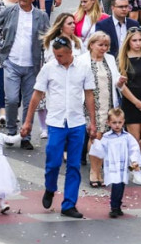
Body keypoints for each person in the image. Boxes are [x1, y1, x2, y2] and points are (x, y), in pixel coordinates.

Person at [23, 36, 96, 219]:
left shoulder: (83, 68)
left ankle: (69, 204)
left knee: (74, 165)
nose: (58, 58)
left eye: (61, 55)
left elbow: (89, 95)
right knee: (53, 162)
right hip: (55, 122)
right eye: (55, 55)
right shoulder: (48, 68)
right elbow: (37, 95)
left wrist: (93, 122)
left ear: (70, 52)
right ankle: (50, 187)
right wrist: (28, 121)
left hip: (76, 122)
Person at [0, 0, 49, 149]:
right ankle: (12, 131)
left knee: (29, 102)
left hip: (32, 66)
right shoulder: (10, 11)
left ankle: (25, 136)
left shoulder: (41, 16)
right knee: (12, 99)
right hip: (11, 62)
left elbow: (47, 38)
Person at [79, 31, 122, 187]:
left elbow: (116, 79)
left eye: (106, 45)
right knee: (95, 137)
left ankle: (97, 171)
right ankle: (94, 171)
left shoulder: (110, 59)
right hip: (90, 105)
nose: (104, 48)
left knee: (103, 139)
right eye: (100, 45)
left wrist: (121, 81)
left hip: (108, 104)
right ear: (91, 45)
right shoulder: (82, 61)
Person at [90, 108, 141, 218]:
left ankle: (118, 206)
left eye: (119, 122)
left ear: (123, 122)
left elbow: (133, 148)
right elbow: (101, 149)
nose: (117, 125)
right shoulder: (106, 137)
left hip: (123, 166)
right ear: (108, 123)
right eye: (114, 123)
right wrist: (95, 142)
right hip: (112, 166)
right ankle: (114, 207)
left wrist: (134, 160)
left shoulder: (127, 137)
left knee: (122, 185)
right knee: (116, 185)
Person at [117, 28, 141, 184]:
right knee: (134, 138)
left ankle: (128, 160)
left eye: (140, 40)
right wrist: (135, 102)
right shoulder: (123, 59)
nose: (138, 43)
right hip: (131, 103)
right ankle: (136, 170)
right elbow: (122, 86)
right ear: (128, 42)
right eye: (134, 40)